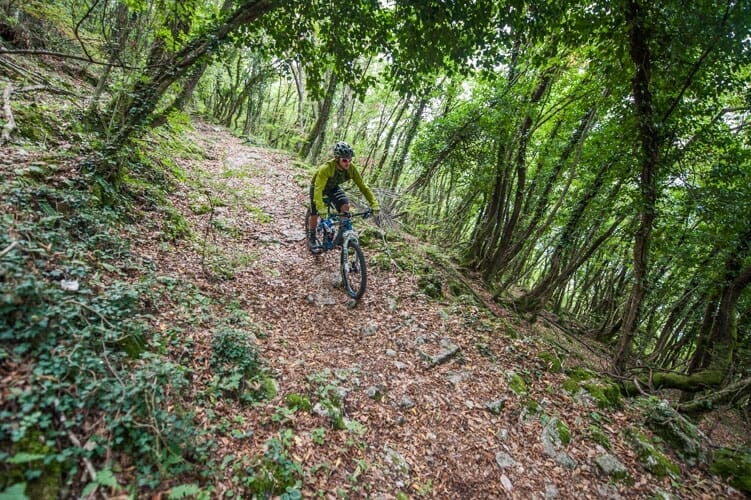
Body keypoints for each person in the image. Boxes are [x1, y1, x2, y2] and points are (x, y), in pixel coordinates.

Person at [308, 141, 379, 253]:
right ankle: (311, 236)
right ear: (337, 159)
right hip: (318, 187)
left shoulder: (352, 169)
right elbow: (318, 189)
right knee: (314, 212)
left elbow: (363, 187)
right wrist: (320, 207)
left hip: (333, 187)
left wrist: (374, 203)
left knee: (345, 206)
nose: (348, 163)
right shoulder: (326, 168)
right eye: (345, 160)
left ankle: (341, 236)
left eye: (350, 160)